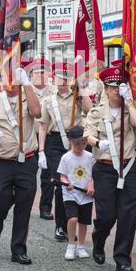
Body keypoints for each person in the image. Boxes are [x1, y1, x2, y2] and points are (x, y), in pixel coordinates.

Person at [0, 67, 41, 265]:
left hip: (26, 161)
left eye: (15, 78)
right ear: (1, 80)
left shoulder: (28, 96)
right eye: (7, 78)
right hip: (0, 162)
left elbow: (37, 112)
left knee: (24, 206)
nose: (11, 82)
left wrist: (28, 84)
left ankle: (18, 249)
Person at [84, 65, 136, 271]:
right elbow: (88, 135)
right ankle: (98, 240)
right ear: (106, 89)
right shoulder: (97, 111)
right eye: (113, 86)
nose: (117, 90)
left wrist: (130, 101)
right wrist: (98, 144)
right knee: (107, 216)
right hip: (105, 169)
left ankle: (122, 260)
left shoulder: (129, 108)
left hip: (129, 167)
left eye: (121, 86)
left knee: (128, 216)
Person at [39, 62, 92, 242]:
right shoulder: (48, 99)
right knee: (62, 183)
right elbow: (43, 126)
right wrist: (41, 151)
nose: (63, 79)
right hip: (55, 143)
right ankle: (61, 225)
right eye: (60, 76)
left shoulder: (77, 95)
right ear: (54, 77)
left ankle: (74, 220)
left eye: (67, 75)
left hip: (76, 142)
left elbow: (89, 110)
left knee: (78, 181)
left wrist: (82, 88)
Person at [57, 125, 94, 261]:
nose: (81, 146)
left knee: (84, 222)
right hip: (70, 194)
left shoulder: (90, 157)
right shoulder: (66, 158)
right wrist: (67, 183)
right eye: (78, 143)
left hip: (86, 195)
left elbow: (93, 175)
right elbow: (62, 176)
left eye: (84, 143)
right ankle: (71, 245)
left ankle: (81, 246)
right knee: (73, 218)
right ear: (71, 142)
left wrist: (91, 184)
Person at [28, 57, 56, 221]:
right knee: (29, 172)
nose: (41, 75)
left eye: (44, 72)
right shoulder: (25, 90)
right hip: (30, 136)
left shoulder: (54, 90)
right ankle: (25, 201)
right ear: (31, 74)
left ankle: (45, 207)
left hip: (49, 136)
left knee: (48, 174)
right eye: (38, 72)